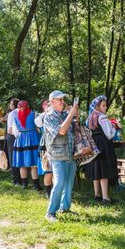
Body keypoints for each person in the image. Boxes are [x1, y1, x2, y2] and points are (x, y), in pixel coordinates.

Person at [43, 90, 79, 222]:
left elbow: (75, 127)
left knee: (69, 183)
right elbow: (62, 131)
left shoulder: (64, 114)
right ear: (52, 102)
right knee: (60, 182)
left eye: (63, 99)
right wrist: (71, 114)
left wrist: (75, 114)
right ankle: (50, 212)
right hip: (57, 155)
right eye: (60, 100)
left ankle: (65, 208)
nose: (62, 102)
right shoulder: (49, 117)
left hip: (70, 153)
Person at [84, 95, 119, 203]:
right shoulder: (102, 117)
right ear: (97, 107)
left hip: (94, 145)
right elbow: (109, 134)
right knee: (103, 170)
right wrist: (114, 126)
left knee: (96, 169)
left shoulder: (90, 118)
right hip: (103, 146)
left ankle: (97, 195)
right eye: (103, 105)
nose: (105, 107)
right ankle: (105, 197)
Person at [12, 100, 42, 190]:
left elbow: (14, 131)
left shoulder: (15, 116)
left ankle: (24, 184)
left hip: (21, 139)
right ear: (28, 106)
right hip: (33, 138)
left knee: (22, 163)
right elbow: (39, 126)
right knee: (34, 164)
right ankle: (36, 185)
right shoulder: (34, 114)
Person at [34, 100, 54, 198]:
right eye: (48, 105)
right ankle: (49, 193)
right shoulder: (42, 116)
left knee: (55, 170)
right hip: (45, 144)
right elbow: (37, 123)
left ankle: (55, 192)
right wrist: (46, 112)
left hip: (56, 144)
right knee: (48, 169)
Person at [2, 98, 21, 185]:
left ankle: (15, 178)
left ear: (14, 105)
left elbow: (9, 129)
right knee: (19, 156)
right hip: (21, 136)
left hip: (12, 136)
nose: (10, 105)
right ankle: (21, 177)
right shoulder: (23, 112)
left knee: (12, 156)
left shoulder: (12, 113)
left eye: (11, 104)